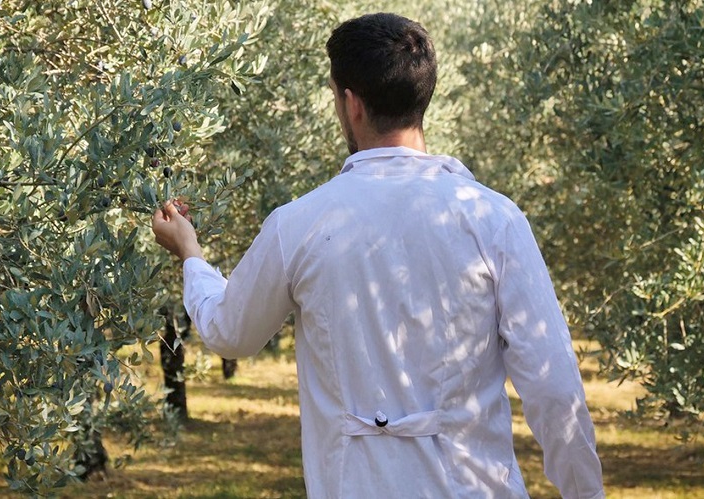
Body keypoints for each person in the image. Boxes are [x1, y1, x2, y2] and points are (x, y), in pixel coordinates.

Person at [152, 12, 605, 499]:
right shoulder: (494, 219)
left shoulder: (300, 223)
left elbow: (230, 332)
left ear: (351, 104)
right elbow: (556, 392)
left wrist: (191, 254)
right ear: (423, 97)